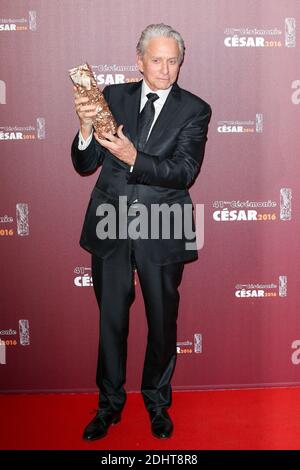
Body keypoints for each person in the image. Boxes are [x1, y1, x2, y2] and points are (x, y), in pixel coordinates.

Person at [71, 23, 211, 441]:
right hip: (110, 226)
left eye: (173, 61)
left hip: (162, 227)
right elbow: (84, 164)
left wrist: (135, 157)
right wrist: (83, 130)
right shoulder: (112, 97)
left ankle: (156, 402)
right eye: (157, 60)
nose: (165, 69)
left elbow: (184, 172)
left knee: (162, 322)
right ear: (139, 61)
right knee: (111, 320)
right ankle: (109, 405)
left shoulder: (195, 110)